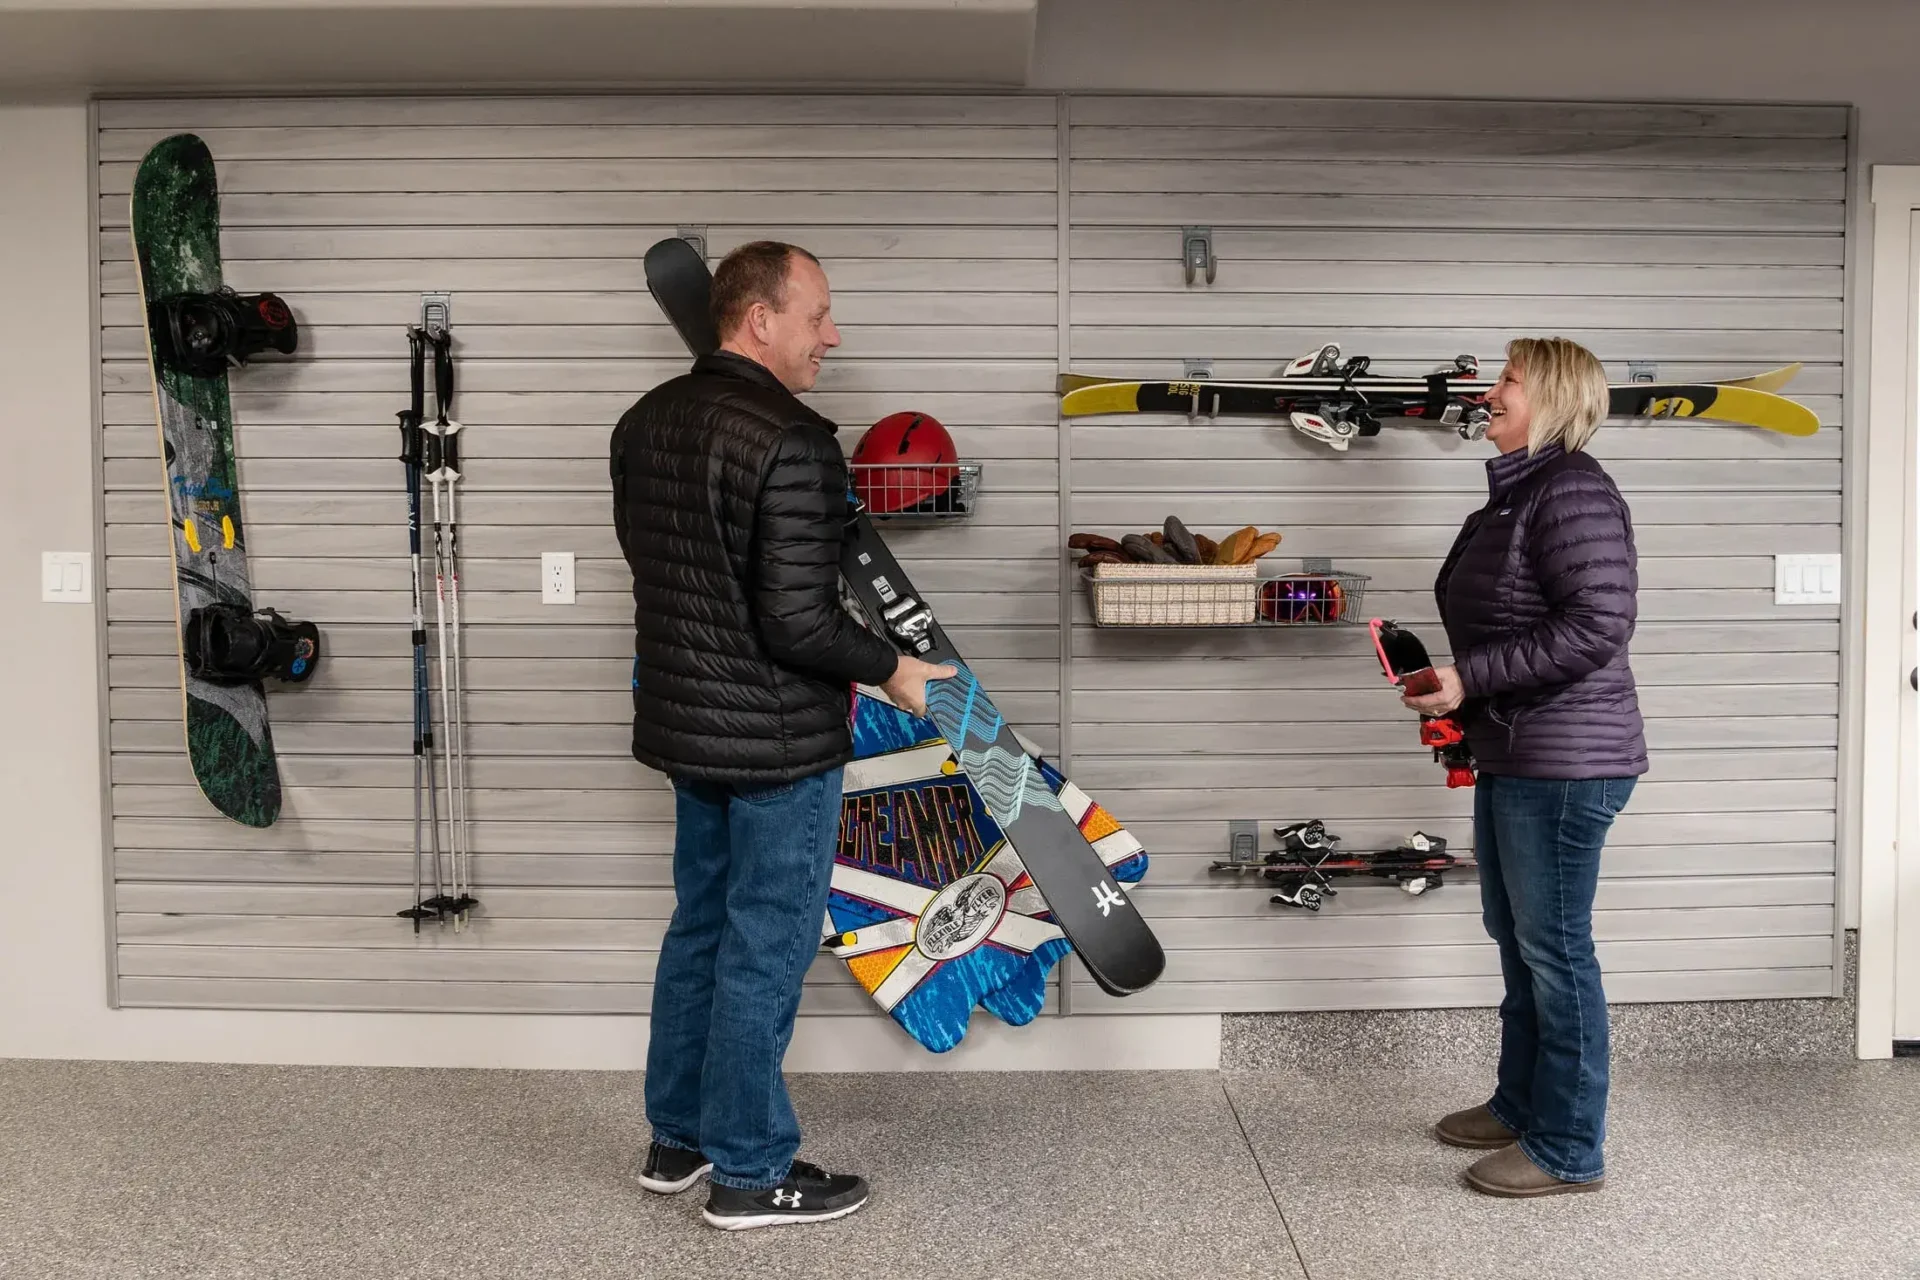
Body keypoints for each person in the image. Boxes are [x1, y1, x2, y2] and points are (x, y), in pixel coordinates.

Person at [609, 240, 954, 1230]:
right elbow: (796, 621)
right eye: (817, 315)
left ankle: (677, 1138)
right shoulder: (795, 440)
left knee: (700, 928)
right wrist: (892, 668)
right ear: (759, 319)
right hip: (776, 743)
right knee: (762, 942)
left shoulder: (643, 423)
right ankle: (752, 1169)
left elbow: (670, 578)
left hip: (686, 727)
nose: (830, 336)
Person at [1400, 336, 1648, 1198]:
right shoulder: (1518, 496)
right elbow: (1516, 626)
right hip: (1517, 748)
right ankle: (1520, 1104)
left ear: (1549, 396)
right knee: (1519, 942)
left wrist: (1470, 678)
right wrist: (1456, 698)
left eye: (1507, 379)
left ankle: (1569, 1147)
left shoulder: (1574, 489)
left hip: (1567, 764)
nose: (1491, 392)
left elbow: (1596, 626)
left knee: (1556, 951)